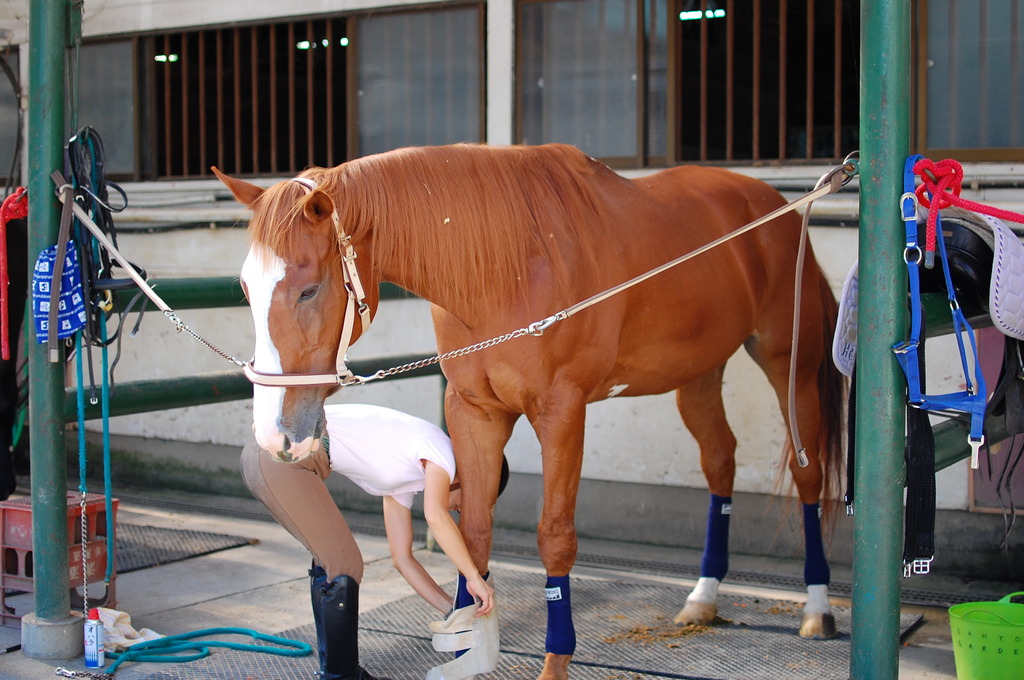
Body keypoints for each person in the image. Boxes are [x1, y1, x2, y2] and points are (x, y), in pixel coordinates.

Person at [240, 403, 507, 680]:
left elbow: (402, 559)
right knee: (344, 564)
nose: (460, 512)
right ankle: (342, 676)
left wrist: (452, 610)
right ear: (471, 481)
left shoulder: (409, 475)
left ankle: (335, 672)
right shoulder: (442, 450)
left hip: (279, 457)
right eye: (467, 506)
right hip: (280, 457)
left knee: (332, 561)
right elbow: (436, 516)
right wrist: (474, 577)